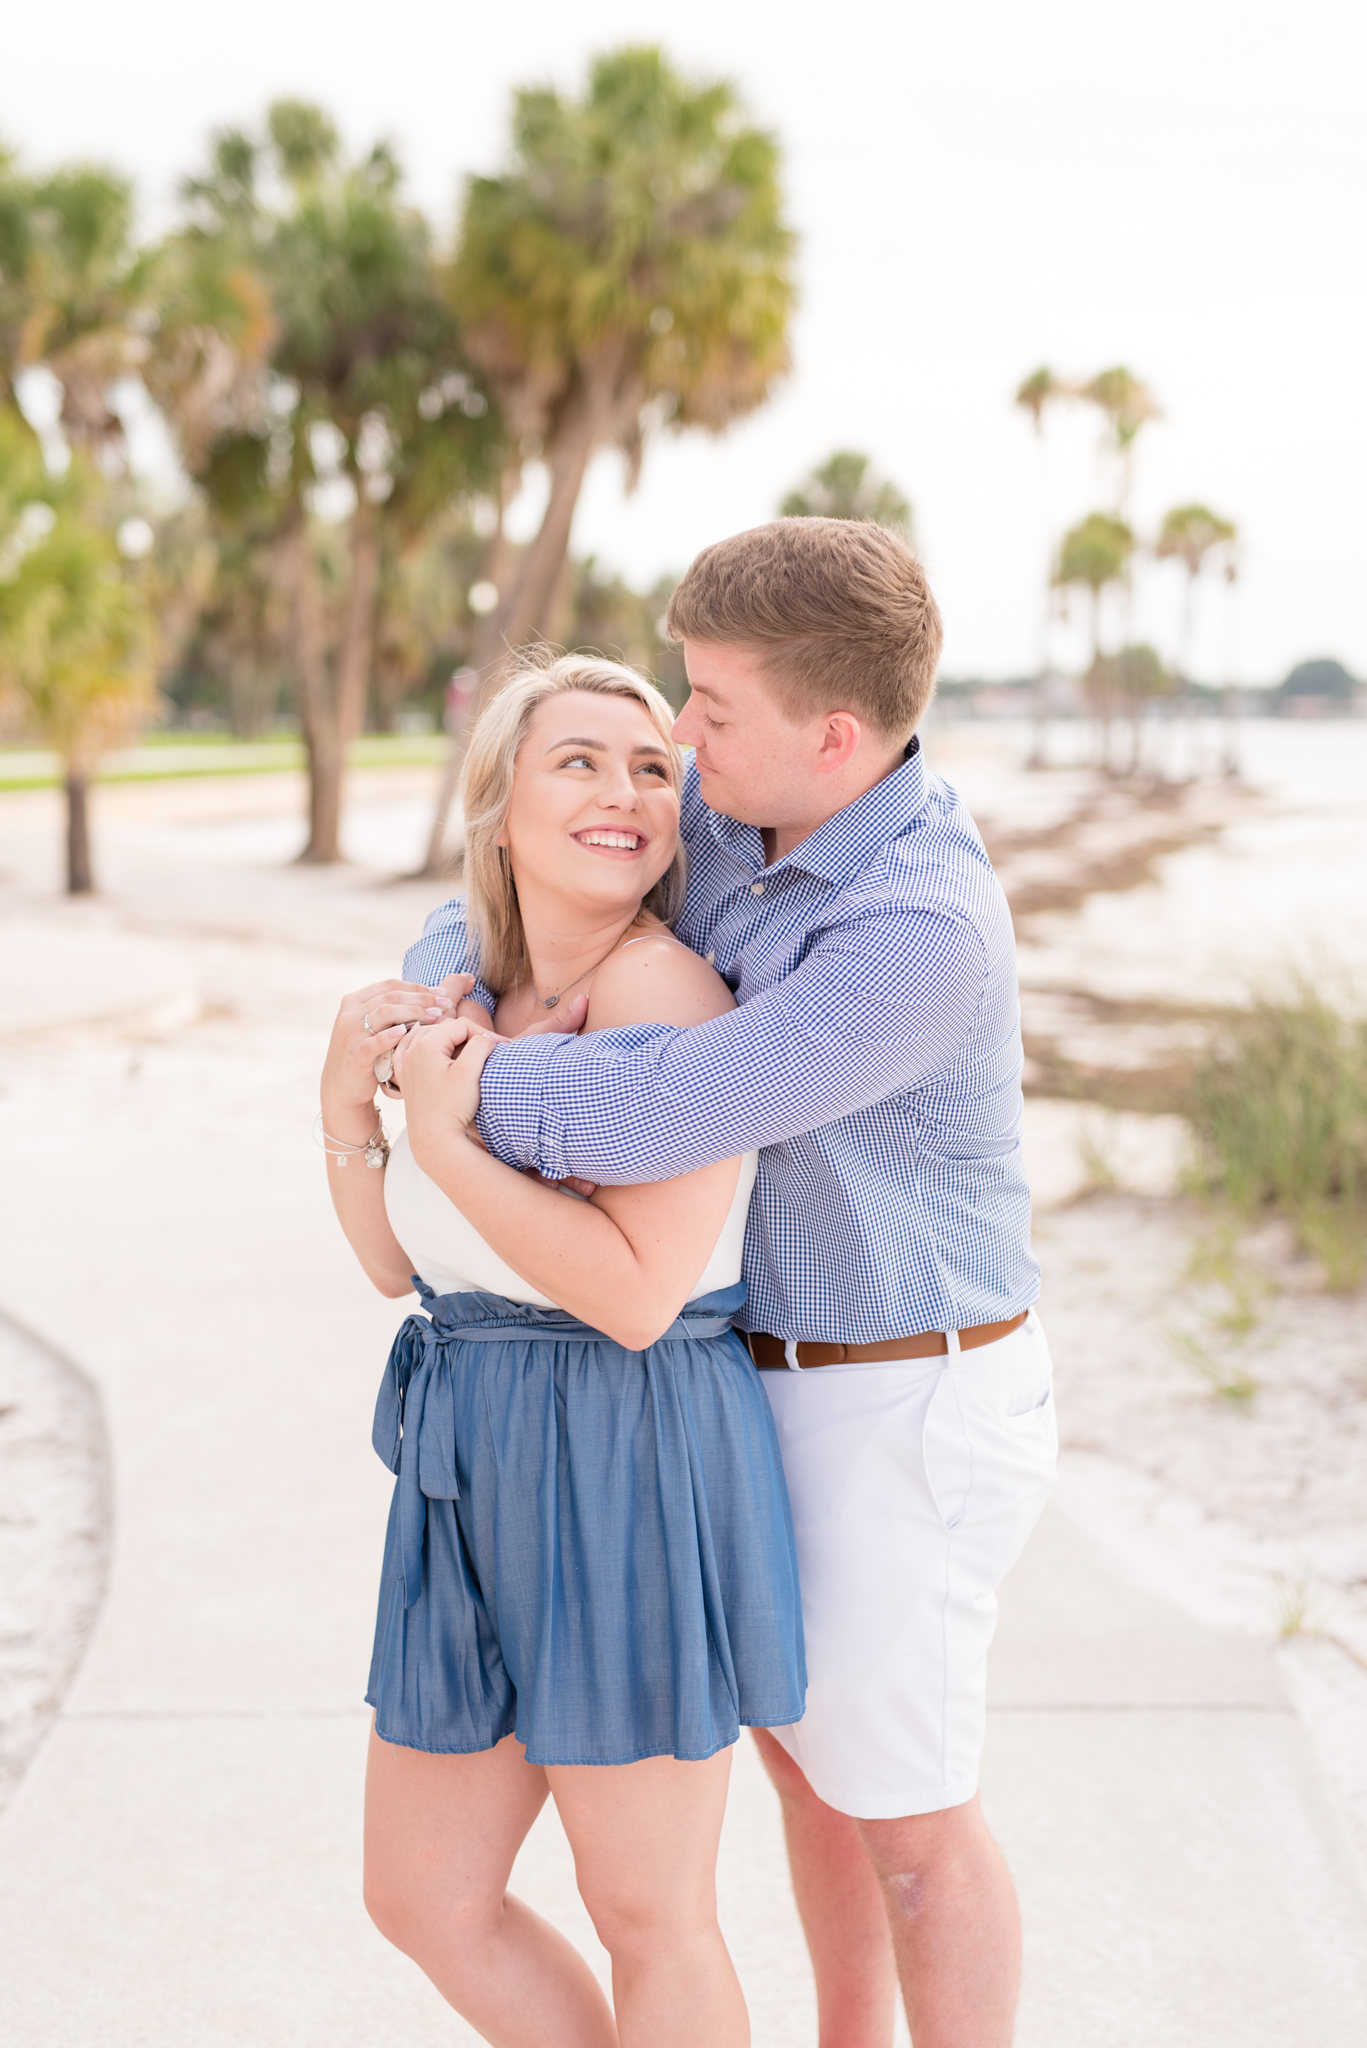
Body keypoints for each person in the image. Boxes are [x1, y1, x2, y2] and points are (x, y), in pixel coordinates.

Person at [407, 519, 1058, 2048]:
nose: (677, 744)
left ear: (835, 735)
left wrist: (448, 1085)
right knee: (808, 1775)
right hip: (763, 1376)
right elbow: (528, 883)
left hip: (909, 1393)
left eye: (708, 711)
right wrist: (446, 977)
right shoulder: (740, 807)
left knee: (909, 1822)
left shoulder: (915, 932)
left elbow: (659, 1109)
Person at [319, 655, 805, 2048]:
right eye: (580, 760)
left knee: (648, 1910)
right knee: (424, 1892)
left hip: (629, 1447)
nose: (626, 790)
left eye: (654, 766)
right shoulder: (474, 1001)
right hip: (468, 1451)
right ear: (500, 806)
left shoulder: (669, 998)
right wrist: (349, 1102)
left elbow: (640, 1296)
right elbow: (392, 1264)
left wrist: (448, 1134)